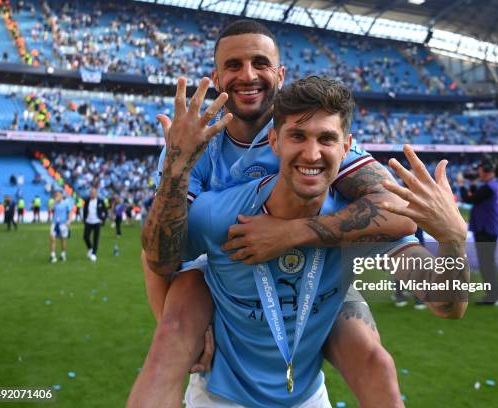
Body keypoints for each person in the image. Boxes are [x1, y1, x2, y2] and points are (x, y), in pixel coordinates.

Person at [129, 20, 418, 408]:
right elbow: (160, 251)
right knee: (174, 331)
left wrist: (294, 232)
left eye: (260, 63)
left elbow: (400, 214)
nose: (247, 75)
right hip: (222, 272)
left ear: (280, 74)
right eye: (233, 65)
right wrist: (171, 323)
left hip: (314, 267)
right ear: (216, 78)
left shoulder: (310, 136)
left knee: (376, 363)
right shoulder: (193, 144)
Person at [179, 76, 469, 406]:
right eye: (298, 136)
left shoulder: (360, 223)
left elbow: (447, 304)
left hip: (307, 397)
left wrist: (453, 240)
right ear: (274, 141)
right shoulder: (222, 212)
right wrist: (182, 319)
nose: (312, 153)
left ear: (346, 148)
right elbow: (159, 256)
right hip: (220, 397)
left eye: (327, 139)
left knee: (378, 364)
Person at [458, 157, 498, 305]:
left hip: (485, 228)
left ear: (486, 172)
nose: (477, 173)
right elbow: (477, 197)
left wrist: (461, 185)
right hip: (490, 227)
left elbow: (469, 200)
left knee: (486, 264)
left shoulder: (487, 188)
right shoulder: (494, 185)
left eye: (479, 171)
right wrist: (472, 184)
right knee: (489, 262)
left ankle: (493, 296)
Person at [83, 187, 107, 262]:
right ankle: (90, 248)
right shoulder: (87, 201)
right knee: (85, 236)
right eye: (91, 193)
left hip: (97, 222)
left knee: (95, 238)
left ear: (96, 193)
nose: (92, 194)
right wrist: (84, 218)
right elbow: (84, 210)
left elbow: (105, 211)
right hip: (88, 221)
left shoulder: (100, 201)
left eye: (94, 193)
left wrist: (103, 219)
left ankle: (94, 253)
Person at [49, 190, 73, 263]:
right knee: (52, 239)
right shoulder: (55, 202)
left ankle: (63, 254)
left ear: (62, 195)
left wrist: (69, 221)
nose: (57, 196)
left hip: (63, 224)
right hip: (55, 223)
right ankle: (53, 255)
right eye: (56, 195)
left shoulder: (66, 203)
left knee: (63, 240)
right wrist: (55, 201)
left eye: (59, 195)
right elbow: (50, 208)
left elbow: (70, 212)